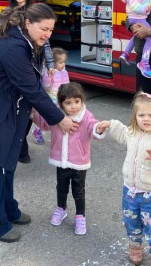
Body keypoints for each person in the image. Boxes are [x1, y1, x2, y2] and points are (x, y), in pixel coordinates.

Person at [0, 3, 78, 243]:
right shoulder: (13, 45)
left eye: (51, 30)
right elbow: (30, 87)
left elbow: (30, 81)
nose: (48, 34)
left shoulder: (25, 35)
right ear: (28, 23)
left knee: (8, 156)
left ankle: (9, 209)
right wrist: (60, 118)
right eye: (44, 29)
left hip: (4, 99)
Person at [97, 92, 151, 266]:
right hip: (130, 190)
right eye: (141, 115)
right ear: (135, 117)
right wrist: (111, 124)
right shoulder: (134, 132)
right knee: (131, 223)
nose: (146, 119)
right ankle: (135, 248)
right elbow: (123, 133)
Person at [31, 82, 106, 236]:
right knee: (61, 187)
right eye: (68, 103)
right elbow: (44, 123)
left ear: (82, 100)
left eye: (77, 101)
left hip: (79, 162)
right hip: (61, 160)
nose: (74, 106)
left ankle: (80, 216)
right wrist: (34, 114)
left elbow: (93, 127)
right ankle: (61, 209)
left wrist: (98, 129)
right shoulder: (57, 115)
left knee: (79, 191)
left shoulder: (86, 116)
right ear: (61, 104)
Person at [6, 0, 55, 161]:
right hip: (17, 66)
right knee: (17, 106)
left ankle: (21, 141)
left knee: (30, 107)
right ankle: (18, 144)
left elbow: (46, 41)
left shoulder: (35, 11)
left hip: (35, 64)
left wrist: (50, 63)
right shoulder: (7, 13)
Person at [37, 46, 70, 146]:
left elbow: (67, 83)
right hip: (52, 101)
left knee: (59, 120)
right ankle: (38, 130)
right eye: (60, 62)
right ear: (52, 62)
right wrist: (49, 77)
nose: (63, 64)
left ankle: (58, 138)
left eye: (64, 61)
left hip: (61, 101)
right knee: (47, 120)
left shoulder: (64, 71)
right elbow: (45, 86)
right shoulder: (48, 73)